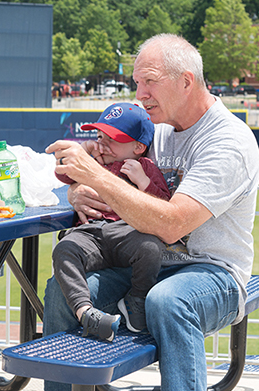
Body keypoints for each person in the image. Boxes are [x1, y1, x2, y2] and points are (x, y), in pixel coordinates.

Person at [45, 34, 259, 391]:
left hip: (214, 272)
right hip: (144, 263)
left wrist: (95, 176)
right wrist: (77, 191)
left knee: (167, 300)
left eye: (150, 82)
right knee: (63, 290)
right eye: (137, 83)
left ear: (186, 81)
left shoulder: (228, 141)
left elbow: (173, 224)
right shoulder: (153, 130)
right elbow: (100, 173)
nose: (140, 93)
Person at [53, 102, 171, 341]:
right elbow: (62, 172)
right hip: (91, 234)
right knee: (64, 249)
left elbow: (164, 204)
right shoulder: (92, 161)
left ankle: (137, 300)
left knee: (151, 247)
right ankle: (85, 312)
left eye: (113, 138)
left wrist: (143, 182)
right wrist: (84, 150)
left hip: (126, 233)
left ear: (138, 146)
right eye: (99, 136)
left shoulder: (145, 166)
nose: (102, 143)